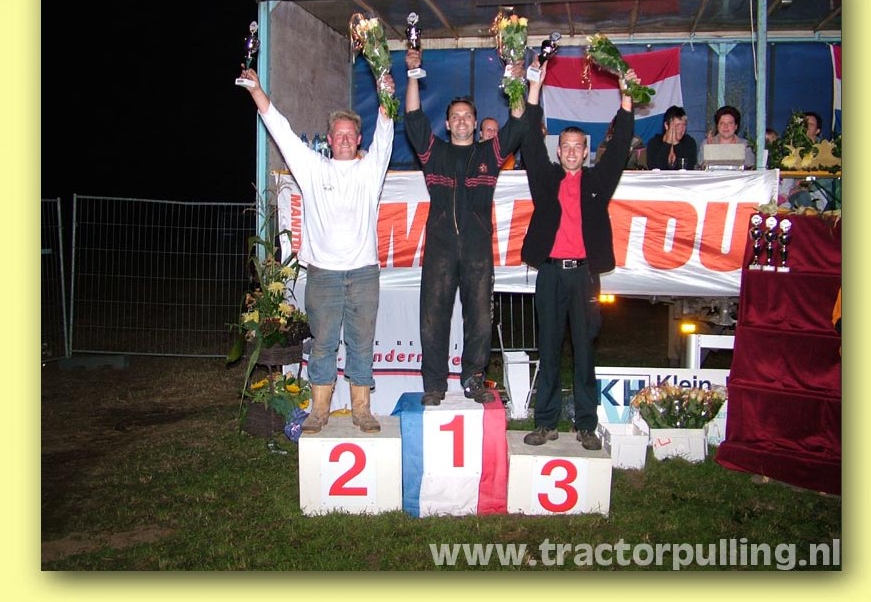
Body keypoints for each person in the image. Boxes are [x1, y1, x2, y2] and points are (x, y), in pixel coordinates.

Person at [238, 66, 395, 434]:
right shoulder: (311, 167)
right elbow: (281, 130)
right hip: (323, 275)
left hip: (363, 274)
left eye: (350, 134)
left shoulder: (371, 170)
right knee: (323, 345)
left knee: (361, 344)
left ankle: (362, 411)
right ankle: (319, 411)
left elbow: (386, 133)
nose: (345, 140)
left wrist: (386, 94)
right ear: (329, 139)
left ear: (359, 139)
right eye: (339, 134)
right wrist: (256, 91)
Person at [518, 59, 637, 450]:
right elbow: (529, 139)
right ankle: (546, 423)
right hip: (550, 275)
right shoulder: (545, 178)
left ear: (586, 152)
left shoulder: (598, 181)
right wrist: (535, 85)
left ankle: (586, 425)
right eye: (565, 146)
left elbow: (620, 146)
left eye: (577, 147)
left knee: (585, 353)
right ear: (559, 150)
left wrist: (626, 97)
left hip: (585, 277)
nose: (571, 152)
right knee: (549, 351)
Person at [404, 47, 527, 406]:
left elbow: (518, 124)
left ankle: (474, 378)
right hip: (440, 248)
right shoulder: (434, 153)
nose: (461, 121)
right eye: (455, 117)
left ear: (475, 123)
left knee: (480, 320)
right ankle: (434, 385)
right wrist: (412, 74)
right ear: (447, 124)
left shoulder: (489, 153)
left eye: (467, 116)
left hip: (477, 249)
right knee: (433, 319)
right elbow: (413, 118)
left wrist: (516, 80)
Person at [646, 105, 698, 170]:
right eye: (677, 125)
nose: (681, 129)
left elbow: (688, 167)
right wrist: (667, 143)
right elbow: (655, 168)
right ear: (666, 125)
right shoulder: (654, 142)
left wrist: (676, 143)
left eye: (684, 125)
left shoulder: (689, 142)